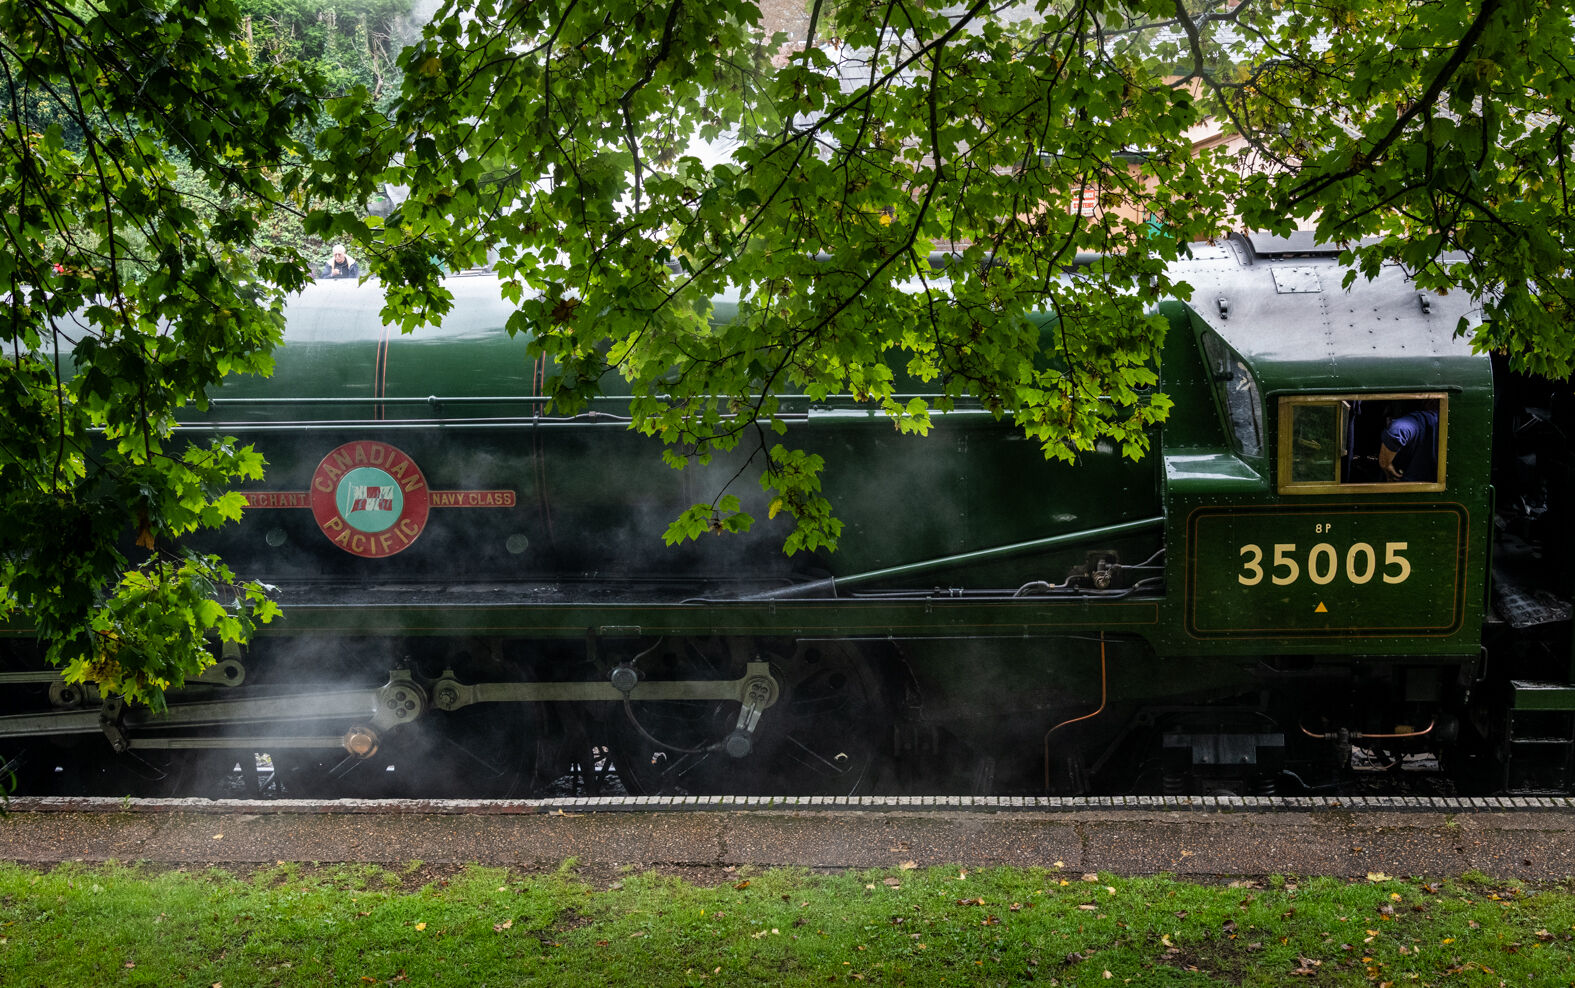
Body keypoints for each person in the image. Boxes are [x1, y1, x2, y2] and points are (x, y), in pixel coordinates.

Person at [1379, 404, 1440, 482]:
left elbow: (1397, 431)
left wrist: (1385, 465)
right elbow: (1397, 432)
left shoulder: (1426, 419)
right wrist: (1386, 465)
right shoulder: (1433, 419)